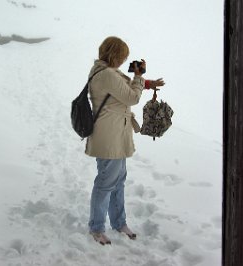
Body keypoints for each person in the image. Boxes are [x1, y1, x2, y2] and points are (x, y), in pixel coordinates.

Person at [85, 36, 165, 245]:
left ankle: (119, 223)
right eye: (123, 56)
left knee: (117, 182)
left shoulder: (106, 71)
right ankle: (96, 227)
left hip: (115, 135)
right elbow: (132, 98)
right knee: (105, 183)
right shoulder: (106, 74)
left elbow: (125, 87)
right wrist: (139, 77)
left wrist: (146, 83)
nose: (124, 60)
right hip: (109, 136)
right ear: (115, 55)